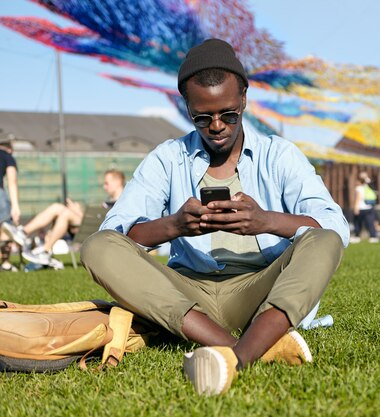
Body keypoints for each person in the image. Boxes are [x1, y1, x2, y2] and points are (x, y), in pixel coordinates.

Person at [79, 39, 349, 396]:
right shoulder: (168, 158)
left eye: (228, 114)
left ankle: (236, 357)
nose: (217, 126)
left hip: (260, 291)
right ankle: (254, 350)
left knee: (325, 239)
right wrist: (174, 226)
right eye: (202, 118)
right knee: (97, 247)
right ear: (187, 108)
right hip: (187, 297)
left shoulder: (278, 154)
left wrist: (266, 221)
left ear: (244, 100)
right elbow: (115, 234)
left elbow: (334, 226)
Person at [2, 169, 125, 266]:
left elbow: (106, 224)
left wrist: (79, 213)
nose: (104, 186)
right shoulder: (106, 203)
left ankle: (44, 249)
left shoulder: (125, 202)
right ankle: (23, 233)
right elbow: (95, 221)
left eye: (106, 183)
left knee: (65, 213)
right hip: (90, 229)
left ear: (117, 182)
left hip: (103, 235)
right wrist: (79, 213)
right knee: (58, 208)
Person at [0, 141, 21, 272]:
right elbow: (12, 181)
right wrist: (15, 206)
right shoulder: (6, 156)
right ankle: (6, 264)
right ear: (10, 150)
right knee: (5, 230)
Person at [351, 171, 378, 243]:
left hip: (361, 208)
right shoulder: (368, 186)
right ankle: (373, 237)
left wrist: (356, 207)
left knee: (357, 223)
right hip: (369, 207)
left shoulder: (359, 188)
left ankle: (357, 236)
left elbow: (358, 198)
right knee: (370, 223)